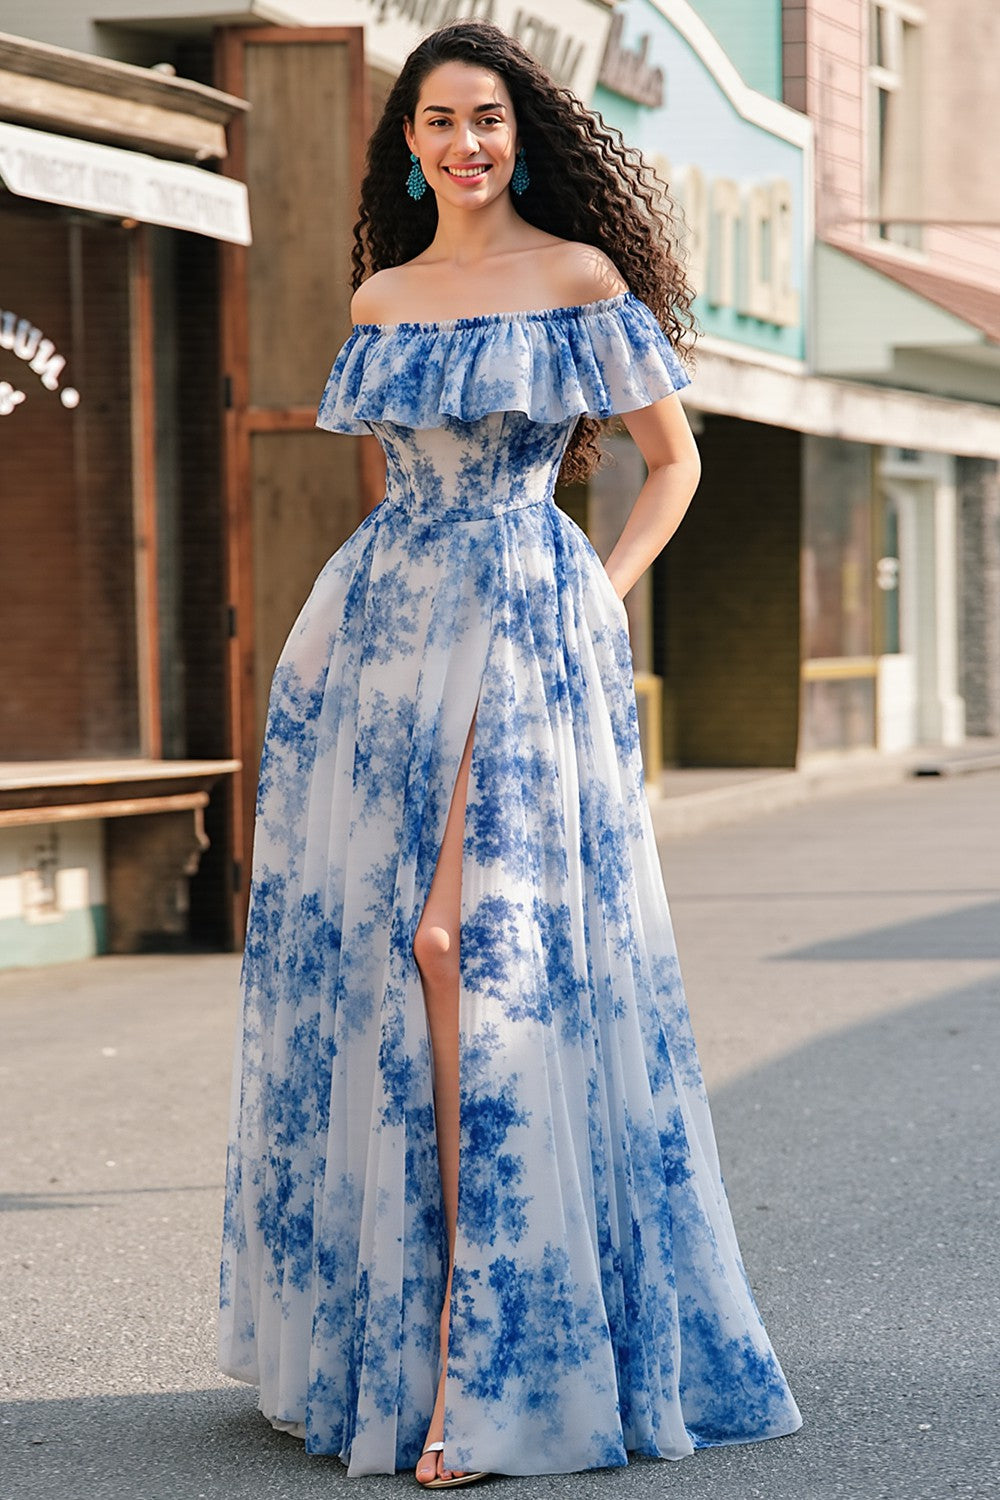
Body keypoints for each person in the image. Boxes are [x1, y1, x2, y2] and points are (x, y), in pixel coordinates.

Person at [217, 17, 802, 1489]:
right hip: (379, 641)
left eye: (485, 119)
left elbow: (675, 461)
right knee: (379, 960)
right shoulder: (384, 295)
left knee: (459, 951)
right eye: (436, 125)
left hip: (525, 636)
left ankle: (492, 1379)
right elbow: (395, 489)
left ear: (520, 133)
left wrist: (593, 600)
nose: (464, 143)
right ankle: (405, 1354)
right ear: (406, 147)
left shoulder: (580, 279)